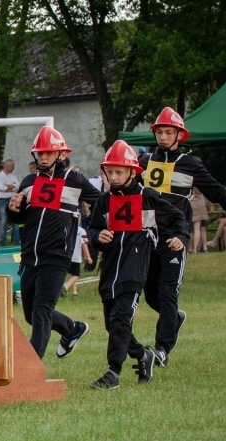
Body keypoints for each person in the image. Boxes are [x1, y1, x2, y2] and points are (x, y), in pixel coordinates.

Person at [138, 107, 226, 366]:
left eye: (169, 132)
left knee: (168, 293)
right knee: (151, 296)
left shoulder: (191, 164)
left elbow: (218, 194)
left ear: (180, 135)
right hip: (146, 238)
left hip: (175, 238)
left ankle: (162, 350)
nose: (163, 136)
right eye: (160, 131)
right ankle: (174, 318)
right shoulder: (143, 163)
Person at [86, 140, 189, 389]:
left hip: (135, 272)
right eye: (110, 172)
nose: (114, 176)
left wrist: (180, 238)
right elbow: (92, 230)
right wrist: (97, 237)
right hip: (109, 271)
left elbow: (178, 218)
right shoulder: (103, 201)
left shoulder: (148, 197)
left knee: (121, 319)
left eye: (119, 171)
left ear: (133, 171)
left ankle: (113, 372)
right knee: (113, 324)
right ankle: (144, 355)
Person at [7, 125, 101, 359]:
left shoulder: (76, 180)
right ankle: (73, 328)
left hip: (57, 257)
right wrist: (13, 209)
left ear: (62, 154)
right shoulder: (28, 181)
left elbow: (103, 203)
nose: (43, 156)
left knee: (41, 312)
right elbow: (20, 218)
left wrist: (97, 228)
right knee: (30, 314)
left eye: (48, 152)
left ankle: (29, 369)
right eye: (39, 152)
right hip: (30, 257)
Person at [0, 159, 20, 246]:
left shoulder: (13, 176)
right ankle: (2, 242)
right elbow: (1, 188)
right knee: (3, 221)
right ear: (7, 166)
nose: (13, 168)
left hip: (13, 199)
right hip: (3, 201)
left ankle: (16, 241)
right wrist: (12, 186)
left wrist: (9, 186)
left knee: (15, 221)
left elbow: (18, 186)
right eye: (12, 166)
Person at [62, 223, 91, 297]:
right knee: (76, 275)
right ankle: (65, 287)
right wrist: (88, 256)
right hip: (75, 256)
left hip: (65, 255)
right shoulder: (81, 231)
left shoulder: (66, 227)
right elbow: (84, 244)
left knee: (72, 274)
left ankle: (74, 292)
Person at [188, 187, 209, 253]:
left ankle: (190, 248)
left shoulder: (189, 181)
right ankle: (195, 249)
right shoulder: (200, 182)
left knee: (190, 230)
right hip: (200, 203)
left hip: (190, 203)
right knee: (197, 228)